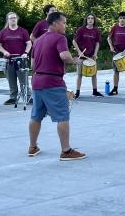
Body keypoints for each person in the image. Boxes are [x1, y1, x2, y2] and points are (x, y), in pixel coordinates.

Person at [27, 11, 85, 160]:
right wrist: (75, 60)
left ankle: (32, 147)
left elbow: (33, 64)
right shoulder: (60, 38)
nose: (65, 25)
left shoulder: (38, 41)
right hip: (53, 82)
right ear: (54, 23)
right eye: (64, 22)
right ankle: (66, 151)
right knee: (63, 116)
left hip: (37, 81)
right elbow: (64, 56)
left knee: (36, 116)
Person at [0, 12, 32, 105]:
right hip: (8, 60)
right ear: (8, 20)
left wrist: (25, 53)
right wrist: (4, 52)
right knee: (11, 80)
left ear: (17, 19)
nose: (13, 19)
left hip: (21, 59)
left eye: (15, 18)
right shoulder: (3, 32)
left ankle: (28, 97)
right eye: (11, 18)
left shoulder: (23, 31)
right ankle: (13, 98)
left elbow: (29, 43)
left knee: (23, 80)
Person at [73, 14, 103, 98]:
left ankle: (95, 91)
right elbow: (74, 41)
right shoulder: (81, 30)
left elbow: (97, 43)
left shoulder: (96, 31)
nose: (90, 20)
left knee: (94, 74)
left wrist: (95, 54)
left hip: (91, 56)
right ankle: (77, 92)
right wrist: (79, 52)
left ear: (94, 20)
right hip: (82, 55)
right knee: (79, 74)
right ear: (86, 20)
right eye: (89, 18)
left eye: (92, 18)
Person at [107, 12, 125, 95]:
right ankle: (115, 89)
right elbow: (108, 38)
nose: (122, 19)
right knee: (116, 71)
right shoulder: (114, 28)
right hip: (116, 52)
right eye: (121, 18)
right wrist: (111, 47)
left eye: (124, 18)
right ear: (118, 19)